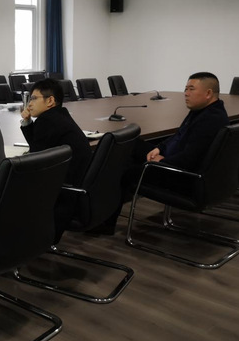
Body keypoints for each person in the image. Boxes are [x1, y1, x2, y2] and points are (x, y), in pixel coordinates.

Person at [98, 72, 230, 236]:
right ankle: (107, 204)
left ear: (208, 93)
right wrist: (159, 149)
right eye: (185, 89)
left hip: (183, 177)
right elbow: (178, 136)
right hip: (176, 162)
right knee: (129, 145)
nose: (186, 93)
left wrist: (162, 162)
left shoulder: (210, 120)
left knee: (123, 172)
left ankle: (106, 223)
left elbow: (189, 159)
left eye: (191, 89)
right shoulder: (205, 111)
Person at [20, 78, 92, 186]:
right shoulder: (60, 115)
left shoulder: (46, 120)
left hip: (66, 187)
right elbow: (36, 145)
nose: (29, 104)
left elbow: (35, 160)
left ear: (50, 101)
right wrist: (27, 121)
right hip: (81, 183)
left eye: (34, 99)